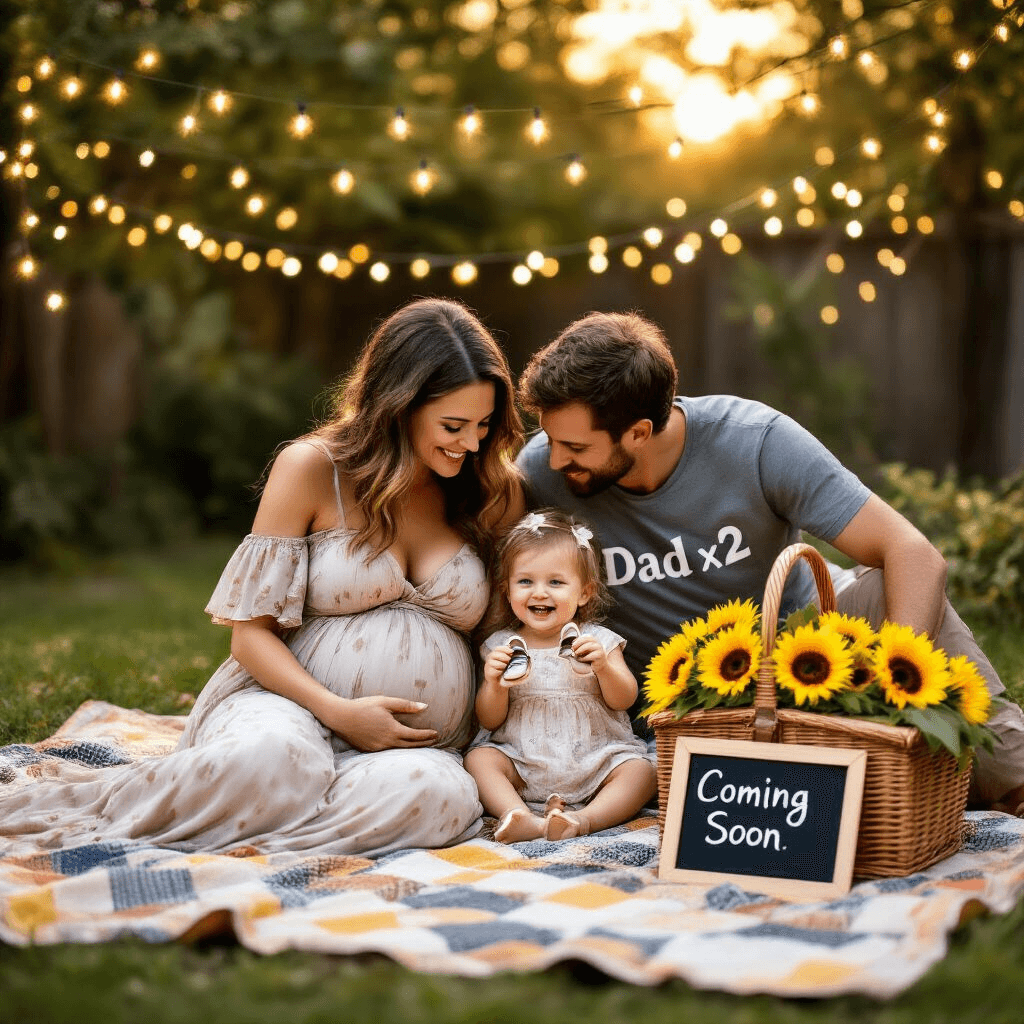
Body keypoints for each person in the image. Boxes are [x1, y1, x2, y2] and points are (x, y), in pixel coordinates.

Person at [0, 297, 524, 858]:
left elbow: (499, 637)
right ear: (399, 405)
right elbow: (249, 635)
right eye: (453, 425)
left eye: (484, 425)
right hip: (288, 707)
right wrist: (338, 711)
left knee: (436, 798)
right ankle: (251, 802)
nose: (471, 443)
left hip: (412, 749)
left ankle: (259, 824)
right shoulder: (313, 469)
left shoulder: (493, 492)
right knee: (272, 758)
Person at [515, 310, 1024, 813]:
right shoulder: (542, 469)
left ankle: (1010, 776)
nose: (556, 459)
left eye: (574, 446)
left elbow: (914, 553)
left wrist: (898, 687)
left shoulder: (754, 440)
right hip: (682, 704)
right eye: (551, 439)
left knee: (889, 590)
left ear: (640, 432)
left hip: (806, 658)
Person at [465, 508, 656, 842]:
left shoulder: (598, 640)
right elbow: (490, 720)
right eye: (525, 581)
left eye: (556, 582)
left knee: (642, 772)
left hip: (597, 759)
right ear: (507, 590)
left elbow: (625, 699)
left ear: (583, 592)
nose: (539, 592)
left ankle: (583, 820)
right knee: (480, 759)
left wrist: (604, 668)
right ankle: (519, 814)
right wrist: (494, 684)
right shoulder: (502, 646)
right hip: (523, 762)